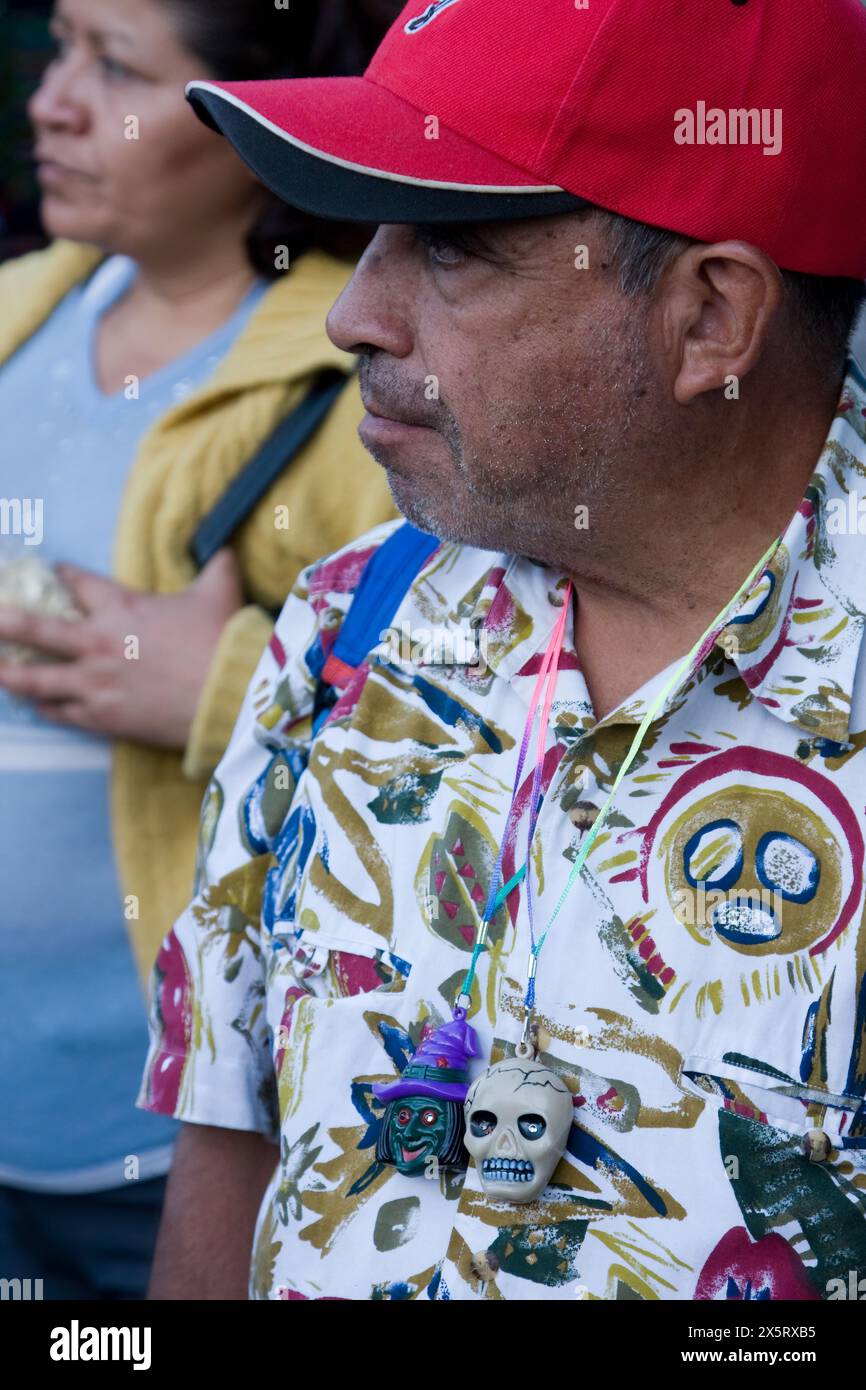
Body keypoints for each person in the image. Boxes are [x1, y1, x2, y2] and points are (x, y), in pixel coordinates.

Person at [139, 0, 866, 1301]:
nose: (354, 313)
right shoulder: (343, 625)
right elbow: (231, 1145)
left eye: (453, 248)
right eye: (370, 236)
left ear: (712, 319)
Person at [0, 0, 400, 1300]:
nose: (53, 101)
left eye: (115, 65)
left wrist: (228, 689)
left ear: (252, 122)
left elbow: (496, 766)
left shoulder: (365, 384)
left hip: (178, 1145)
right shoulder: (13, 321)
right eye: (62, 46)